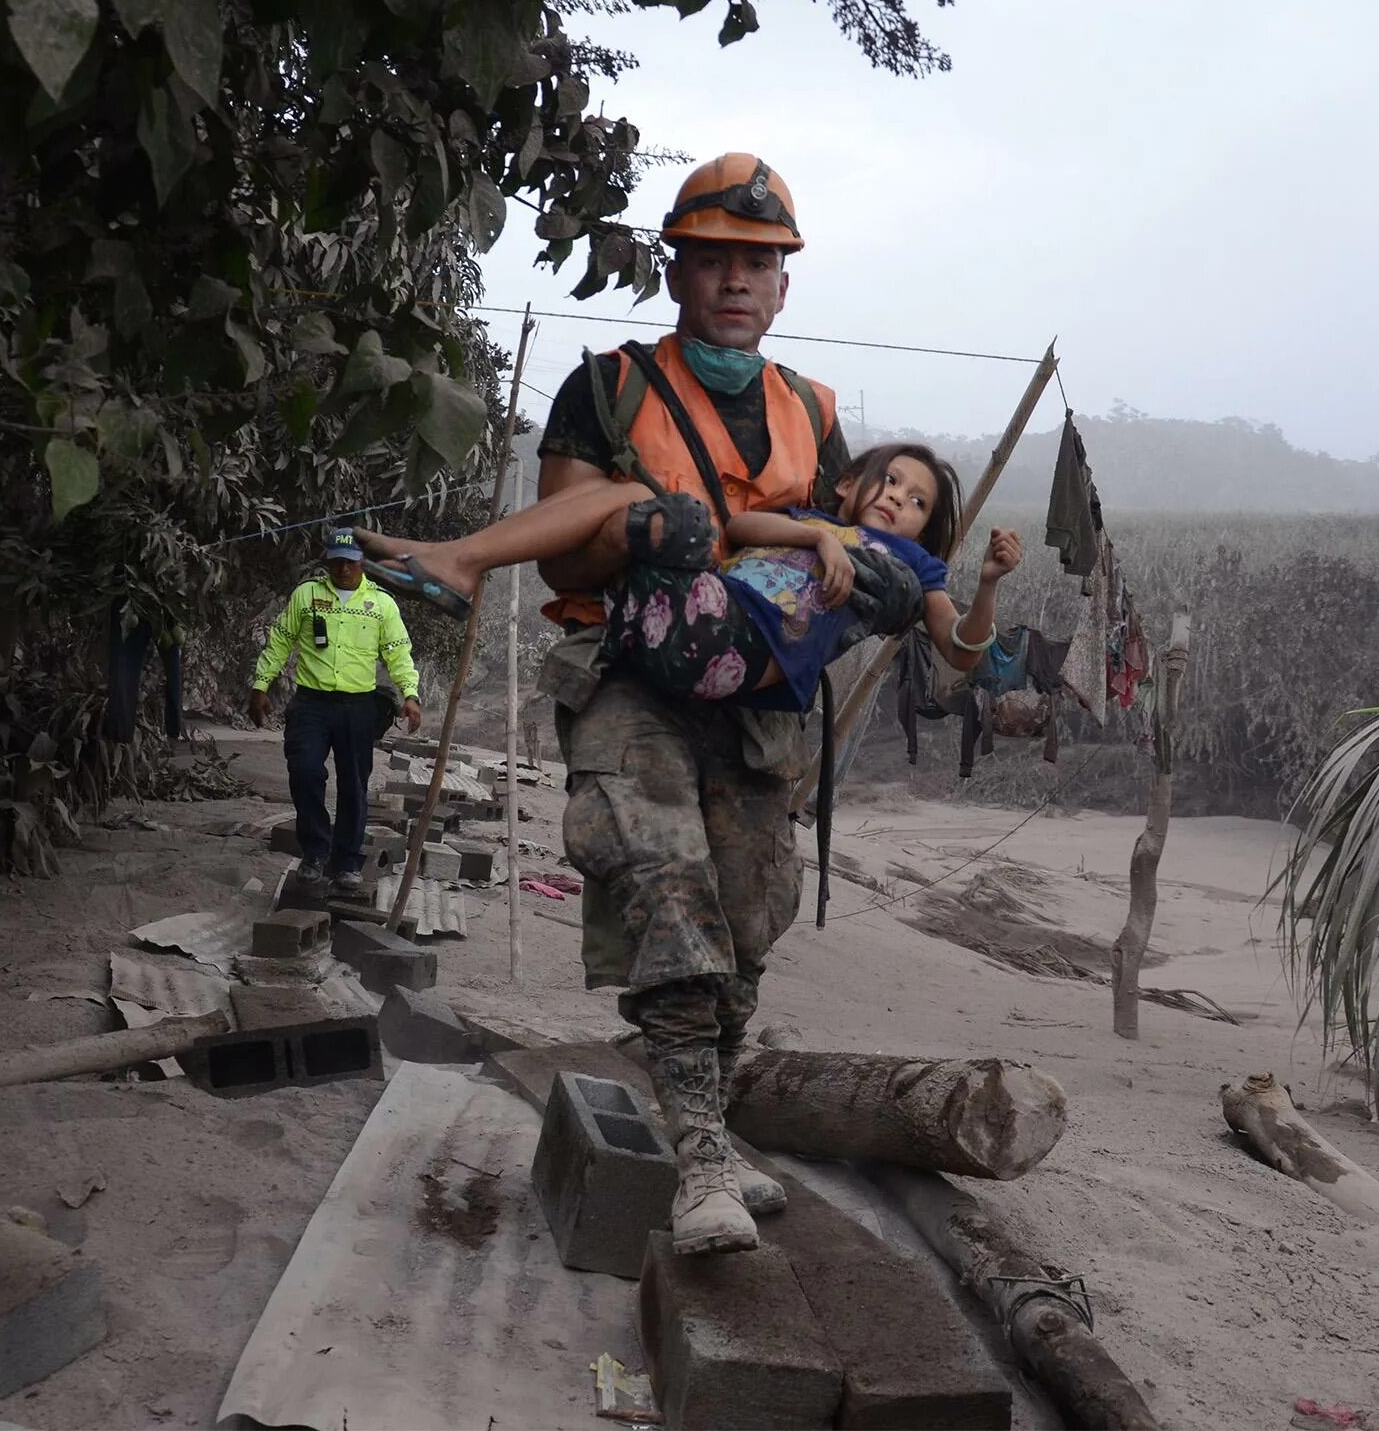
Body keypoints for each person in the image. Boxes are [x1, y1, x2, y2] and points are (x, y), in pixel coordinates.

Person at [402, 154, 1014, 1258]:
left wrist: (881, 578)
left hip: (757, 704)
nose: (736, 280)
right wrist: (668, 538)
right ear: (675, 269)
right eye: (714, 258)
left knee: (747, 910)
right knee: (665, 893)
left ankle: (714, 1130)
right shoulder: (610, 386)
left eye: (759, 264)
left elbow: (865, 561)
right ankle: (698, 1161)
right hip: (630, 672)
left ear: (783, 288)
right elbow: (566, 552)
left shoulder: (813, 414)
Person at [357, 440, 1023, 712]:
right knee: (639, 508)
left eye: (918, 504)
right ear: (849, 484)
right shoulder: (809, 522)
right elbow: (742, 530)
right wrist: (820, 535)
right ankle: (458, 557)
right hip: (686, 619)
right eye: (893, 481)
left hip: (734, 651)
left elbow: (961, 650)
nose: (899, 501)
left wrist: (988, 581)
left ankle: (461, 559)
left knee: (643, 509)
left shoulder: (912, 566)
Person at [249, 529, 424, 899]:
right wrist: (261, 685)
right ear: (327, 560)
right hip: (311, 704)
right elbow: (281, 639)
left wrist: (410, 694)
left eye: (350, 560)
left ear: (363, 562)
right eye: (336, 560)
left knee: (354, 786)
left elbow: (397, 652)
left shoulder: (381, 605)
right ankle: (314, 851)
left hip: (357, 708)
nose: (342, 567)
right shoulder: (308, 595)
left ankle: (346, 861)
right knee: (305, 771)